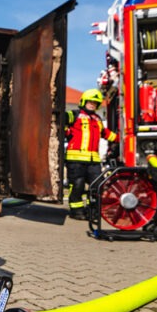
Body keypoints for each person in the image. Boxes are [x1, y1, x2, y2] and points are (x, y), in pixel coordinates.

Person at [64, 88, 118, 220]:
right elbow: (61, 120)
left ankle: (92, 210)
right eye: (90, 102)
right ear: (84, 101)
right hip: (75, 159)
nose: (92, 104)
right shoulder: (74, 114)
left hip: (93, 160)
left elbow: (105, 133)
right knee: (77, 185)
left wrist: (121, 139)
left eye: (95, 103)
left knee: (97, 186)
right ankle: (76, 211)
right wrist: (66, 132)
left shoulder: (97, 119)